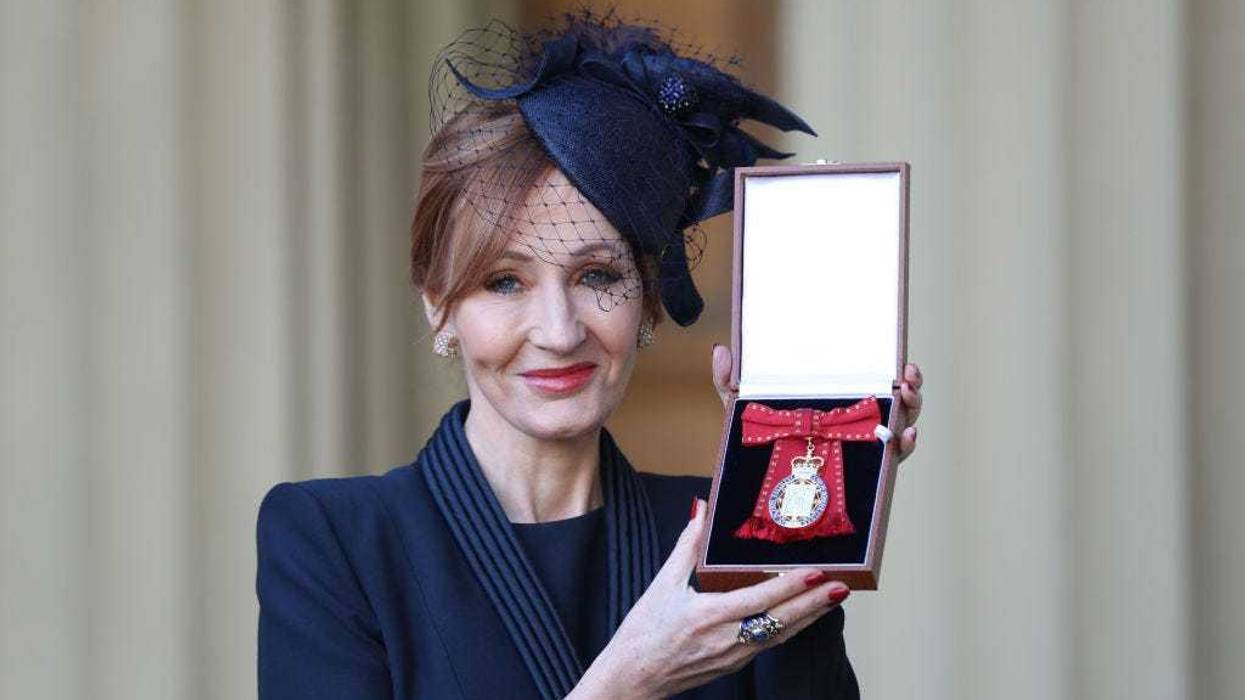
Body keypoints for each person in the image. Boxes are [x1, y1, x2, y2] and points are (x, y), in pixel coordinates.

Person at [256, 12, 924, 699]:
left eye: (597, 276)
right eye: (504, 281)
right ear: (438, 304)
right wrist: (626, 683)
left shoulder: (721, 534)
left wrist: (799, 471)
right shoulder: (333, 541)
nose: (558, 331)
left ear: (649, 300)